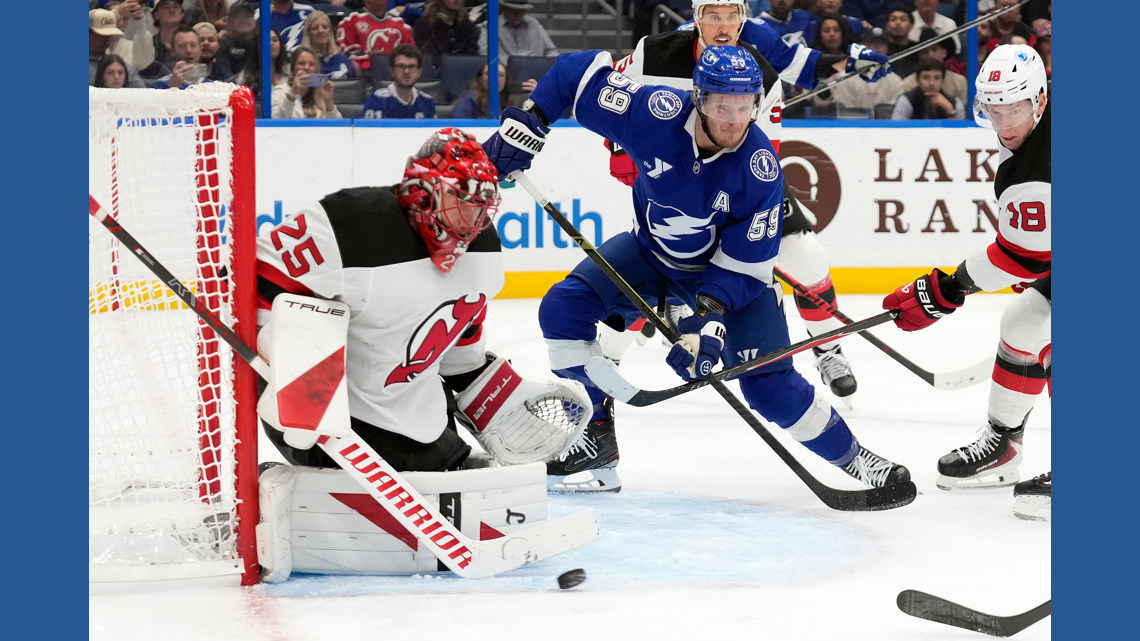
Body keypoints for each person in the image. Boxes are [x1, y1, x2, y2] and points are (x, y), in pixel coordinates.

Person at [483, 45, 911, 494]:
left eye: (745, 107)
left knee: (769, 387)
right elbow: (577, 70)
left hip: (725, 279)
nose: (734, 120)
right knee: (562, 310)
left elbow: (744, 268)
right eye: (723, 106)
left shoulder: (760, 170)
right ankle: (596, 438)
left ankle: (856, 459)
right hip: (648, 255)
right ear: (698, 99)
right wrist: (529, 122)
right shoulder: (653, 113)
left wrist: (706, 324)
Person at [254, 128, 592, 574]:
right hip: (330, 410)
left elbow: (460, 352)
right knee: (412, 496)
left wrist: (490, 390)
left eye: (482, 206)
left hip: (416, 411)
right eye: (462, 201)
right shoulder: (350, 223)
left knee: (452, 480)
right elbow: (261, 277)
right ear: (423, 192)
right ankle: (263, 486)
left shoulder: (484, 249)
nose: (472, 221)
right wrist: (292, 373)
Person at [610, 0, 894, 408]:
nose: (723, 27)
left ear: (743, 18)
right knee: (648, 269)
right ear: (696, 17)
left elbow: (761, 157)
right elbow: (614, 99)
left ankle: (827, 347)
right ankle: (603, 369)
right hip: (671, 189)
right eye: (713, 16)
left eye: (732, 17)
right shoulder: (651, 53)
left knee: (809, 259)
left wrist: (849, 59)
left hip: (741, 188)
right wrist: (618, 147)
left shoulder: (759, 66)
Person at [881, 44, 1050, 519]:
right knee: (1025, 323)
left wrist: (946, 289)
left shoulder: (1039, 171)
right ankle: (1004, 444)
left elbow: (1020, 259)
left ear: (1038, 100)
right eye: (993, 109)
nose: (1003, 122)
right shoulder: (1037, 133)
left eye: (1014, 108)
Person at [335, 0, 415, 79]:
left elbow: (411, 53)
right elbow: (348, 51)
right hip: (365, 79)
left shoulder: (400, 23)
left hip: (398, 77)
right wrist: (377, 67)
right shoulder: (351, 19)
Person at [363, 43, 437, 119]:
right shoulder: (377, 100)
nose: (406, 71)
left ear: (419, 72)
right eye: (401, 66)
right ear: (392, 71)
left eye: (411, 67)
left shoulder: (427, 102)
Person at [831, 33, 903, 110]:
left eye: (882, 44)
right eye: (872, 43)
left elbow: (894, 114)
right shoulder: (845, 78)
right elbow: (844, 112)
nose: (877, 47)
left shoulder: (895, 81)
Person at [897, 27, 966, 105]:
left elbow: (964, 114)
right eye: (925, 51)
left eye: (934, 49)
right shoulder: (908, 83)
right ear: (919, 56)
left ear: (944, 53)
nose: (930, 55)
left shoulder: (959, 82)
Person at [477, 1, 559, 64]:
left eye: (521, 10)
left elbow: (552, 51)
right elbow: (484, 55)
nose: (518, 14)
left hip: (535, 73)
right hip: (505, 76)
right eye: (513, 11)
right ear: (505, 9)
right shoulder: (490, 26)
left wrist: (541, 65)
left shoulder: (534, 24)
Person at [273, 46, 343, 118]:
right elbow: (274, 122)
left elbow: (339, 127)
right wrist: (292, 93)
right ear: (293, 68)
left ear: (316, 70)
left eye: (311, 64)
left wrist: (329, 102)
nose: (306, 67)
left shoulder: (321, 93)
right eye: (301, 63)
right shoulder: (279, 92)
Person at [413, 0, 480, 70]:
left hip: (464, 75)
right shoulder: (424, 25)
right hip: (436, 76)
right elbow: (430, 58)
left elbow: (472, 57)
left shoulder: (468, 26)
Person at [889, 57, 964, 119]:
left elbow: (960, 135)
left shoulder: (955, 103)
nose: (931, 83)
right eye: (926, 77)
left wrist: (949, 110)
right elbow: (896, 131)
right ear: (917, 80)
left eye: (937, 78)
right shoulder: (906, 101)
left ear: (942, 81)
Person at [89, 8, 147, 87]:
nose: (107, 39)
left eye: (110, 35)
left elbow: (142, 93)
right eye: (101, 35)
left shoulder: (121, 66)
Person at [301, 10, 361, 79]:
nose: (321, 30)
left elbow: (356, 85)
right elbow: (304, 83)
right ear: (308, 33)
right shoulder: (302, 60)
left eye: (325, 27)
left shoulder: (342, 58)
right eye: (315, 28)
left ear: (330, 31)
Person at [217, 2, 258, 79]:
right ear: (229, 22)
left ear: (254, 20)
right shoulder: (224, 45)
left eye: (247, 16)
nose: (244, 21)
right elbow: (225, 77)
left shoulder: (263, 42)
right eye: (238, 17)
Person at [882, 4, 916, 76]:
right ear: (887, 25)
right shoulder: (882, 50)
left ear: (911, 25)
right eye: (893, 19)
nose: (898, 23)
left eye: (903, 19)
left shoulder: (917, 50)